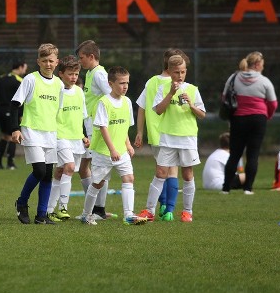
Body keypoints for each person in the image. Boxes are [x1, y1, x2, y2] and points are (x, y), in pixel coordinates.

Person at [138, 54, 206, 222]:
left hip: (187, 138)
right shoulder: (163, 88)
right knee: (160, 172)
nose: (180, 76)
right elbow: (158, 110)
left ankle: (187, 212)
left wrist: (191, 105)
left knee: (188, 174)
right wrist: (171, 94)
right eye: (176, 72)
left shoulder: (192, 89)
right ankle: (149, 210)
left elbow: (202, 114)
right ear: (169, 72)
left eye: (183, 72)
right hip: (167, 137)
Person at [80, 67, 148, 225]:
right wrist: (112, 150)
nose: (125, 86)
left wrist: (128, 145)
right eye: (121, 83)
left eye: (127, 83)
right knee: (98, 183)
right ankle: (86, 214)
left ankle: (128, 215)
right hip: (104, 152)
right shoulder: (103, 102)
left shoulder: (127, 102)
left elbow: (123, 127)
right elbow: (103, 128)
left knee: (129, 178)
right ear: (110, 84)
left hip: (121, 150)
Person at [10, 44, 62, 225]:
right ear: (38, 61)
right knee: (39, 171)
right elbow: (15, 104)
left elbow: (59, 113)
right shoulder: (30, 80)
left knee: (48, 175)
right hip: (31, 132)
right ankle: (22, 202)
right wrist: (15, 129)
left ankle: (42, 215)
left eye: (51, 61)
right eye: (44, 60)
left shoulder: (59, 84)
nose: (48, 64)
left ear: (57, 62)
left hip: (50, 134)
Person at [133, 48, 185, 213]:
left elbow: (141, 107)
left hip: (155, 133)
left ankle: (162, 205)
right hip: (174, 132)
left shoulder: (151, 82)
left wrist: (140, 132)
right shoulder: (179, 85)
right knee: (172, 170)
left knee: (160, 170)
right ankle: (169, 210)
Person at [221, 51, 278, 194]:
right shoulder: (265, 81)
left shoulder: (234, 77)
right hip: (258, 120)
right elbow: (273, 103)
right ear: (258, 64)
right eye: (262, 65)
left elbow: (224, 98)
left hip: (238, 119)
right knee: (253, 154)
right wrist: (267, 115)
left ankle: (226, 188)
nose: (263, 67)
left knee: (235, 154)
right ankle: (248, 188)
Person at [45, 55, 89, 222]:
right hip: (60, 136)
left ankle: (49, 210)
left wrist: (83, 136)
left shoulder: (79, 92)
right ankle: (63, 207)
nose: (73, 78)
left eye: (76, 74)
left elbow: (81, 116)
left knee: (60, 172)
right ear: (61, 74)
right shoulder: (56, 91)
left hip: (75, 138)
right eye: (70, 74)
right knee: (69, 167)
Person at [75, 40, 113, 220]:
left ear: (91, 57)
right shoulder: (91, 73)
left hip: (97, 129)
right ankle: (96, 208)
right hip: (90, 128)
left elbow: (112, 96)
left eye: (81, 58)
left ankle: (99, 210)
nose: (79, 61)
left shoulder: (99, 74)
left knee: (98, 168)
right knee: (85, 168)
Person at [0, 59, 27, 169]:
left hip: (0, 110)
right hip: (11, 111)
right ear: (20, 67)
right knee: (12, 136)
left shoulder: (2, 78)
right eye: (24, 68)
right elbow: (20, 100)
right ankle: (10, 163)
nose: (25, 70)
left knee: (5, 136)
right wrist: (21, 114)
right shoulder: (20, 81)